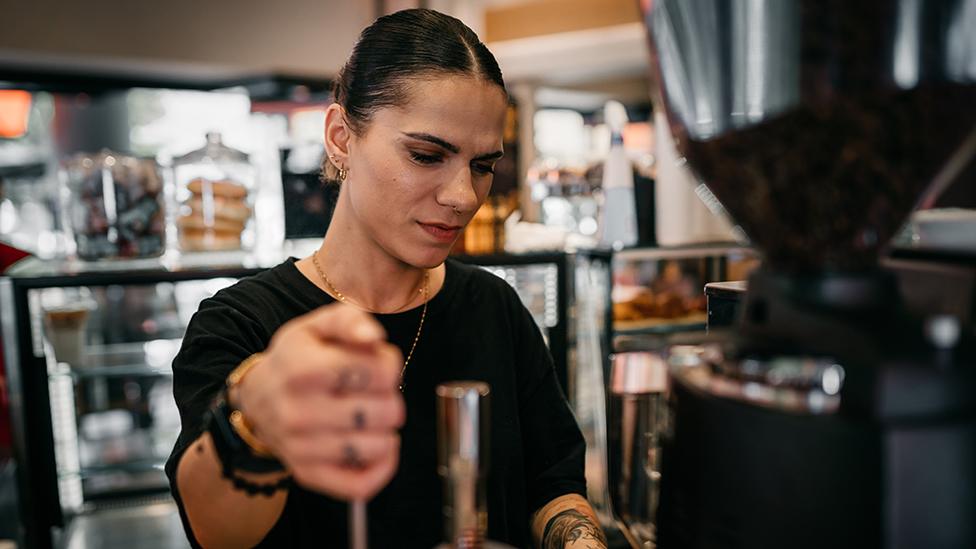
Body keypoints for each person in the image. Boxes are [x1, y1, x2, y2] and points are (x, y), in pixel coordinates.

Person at [167, 9, 608, 549]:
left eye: (483, 166)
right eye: (426, 155)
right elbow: (217, 534)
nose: (463, 197)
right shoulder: (241, 322)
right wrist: (256, 419)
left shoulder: (494, 306)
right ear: (340, 137)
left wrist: (581, 539)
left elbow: (552, 483)